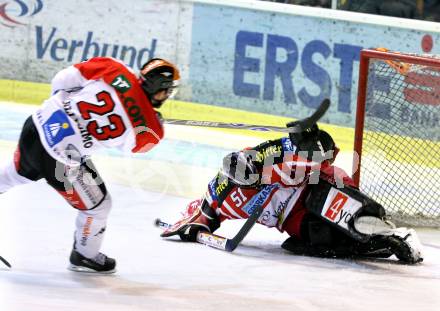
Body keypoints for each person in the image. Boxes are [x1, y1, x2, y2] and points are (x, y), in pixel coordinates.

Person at [0, 57, 180, 273]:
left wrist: (63, 113)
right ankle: (84, 255)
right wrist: (153, 120)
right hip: (60, 161)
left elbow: (63, 78)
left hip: (38, 124)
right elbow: (133, 148)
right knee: (98, 207)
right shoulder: (151, 129)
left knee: (14, 174)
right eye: (168, 90)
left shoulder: (114, 67)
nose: (168, 95)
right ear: (160, 90)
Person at [161, 124, 423, 264]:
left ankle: (389, 232)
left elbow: (325, 150)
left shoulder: (273, 155)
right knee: (319, 236)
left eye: (253, 174)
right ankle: (376, 245)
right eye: (245, 180)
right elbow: (201, 214)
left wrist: (313, 139)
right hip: (290, 216)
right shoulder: (226, 196)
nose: (252, 181)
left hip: (316, 186)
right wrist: (193, 228)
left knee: (339, 204)